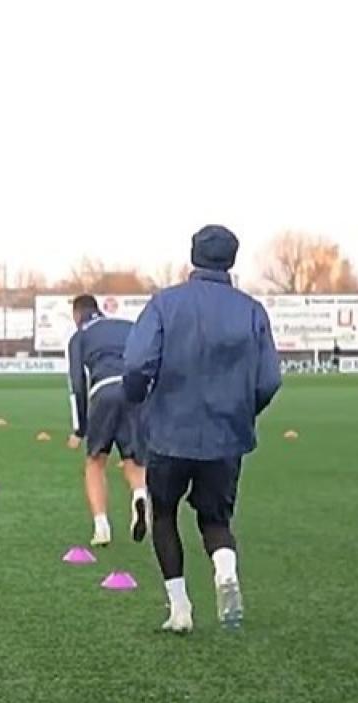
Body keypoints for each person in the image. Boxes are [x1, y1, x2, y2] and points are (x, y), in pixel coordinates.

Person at [124, 225, 281, 633]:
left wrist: (139, 398)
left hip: (170, 432)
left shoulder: (164, 304)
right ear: (231, 260)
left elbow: (138, 365)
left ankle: (180, 609)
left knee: (164, 514)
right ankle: (225, 571)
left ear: (193, 256)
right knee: (216, 521)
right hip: (226, 435)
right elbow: (269, 380)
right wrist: (243, 412)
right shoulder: (251, 311)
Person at [67, 295, 149, 547]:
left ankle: (101, 526)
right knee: (133, 459)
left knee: (95, 461)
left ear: (77, 314)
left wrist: (79, 428)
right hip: (133, 391)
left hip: (103, 391)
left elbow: (77, 382)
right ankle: (139, 495)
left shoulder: (80, 336)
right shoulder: (127, 327)